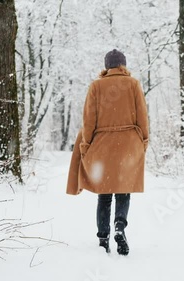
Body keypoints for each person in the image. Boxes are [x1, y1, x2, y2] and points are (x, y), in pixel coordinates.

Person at [66, 49, 149, 256]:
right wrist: (143, 142)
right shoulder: (133, 84)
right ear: (123, 65)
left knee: (104, 194)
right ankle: (120, 225)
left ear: (106, 67)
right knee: (123, 190)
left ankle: (103, 237)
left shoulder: (96, 86)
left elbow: (89, 120)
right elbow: (142, 116)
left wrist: (86, 145)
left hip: (103, 145)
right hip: (129, 143)